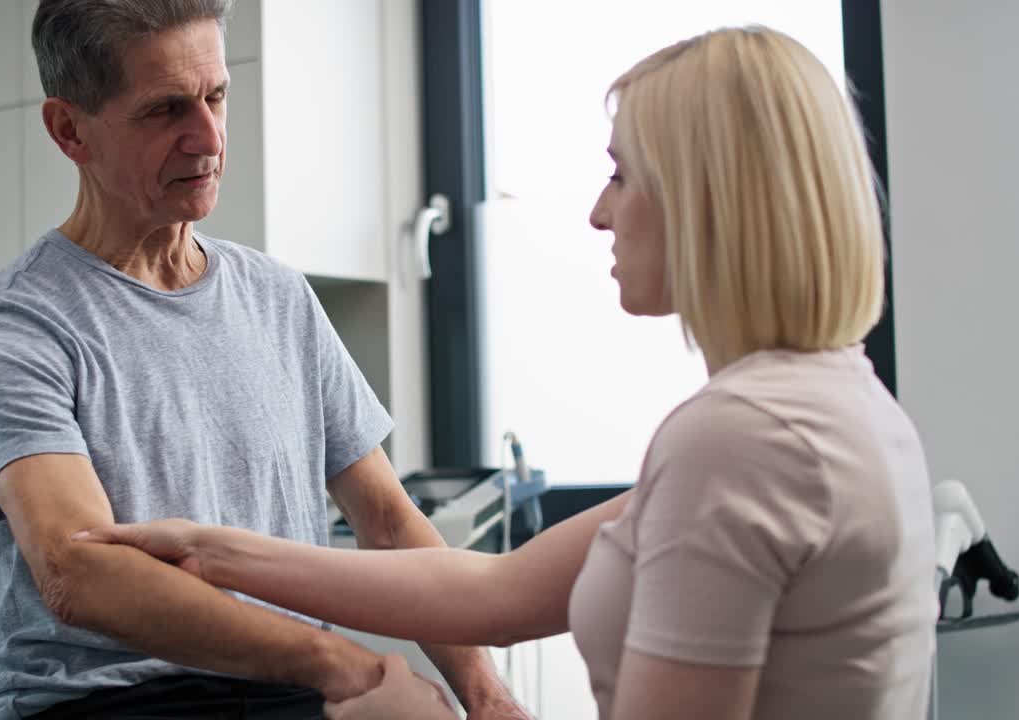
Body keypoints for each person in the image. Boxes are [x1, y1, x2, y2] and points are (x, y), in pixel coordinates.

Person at [78, 26, 939, 720]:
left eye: (621, 174)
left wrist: (371, 694)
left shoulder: (740, 438)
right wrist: (210, 548)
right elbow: (494, 587)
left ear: (704, 197)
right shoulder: (835, 404)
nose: (601, 211)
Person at [0, 1, 525, 718]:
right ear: (71, 130)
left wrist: (487, 693)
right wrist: (339, 661)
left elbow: (386, 519)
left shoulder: (277, 297)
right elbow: (79, 573)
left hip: (283, 693)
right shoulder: (19, 325)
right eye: (165, 111)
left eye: (216, 96)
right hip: (107, 702)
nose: (209, 137)